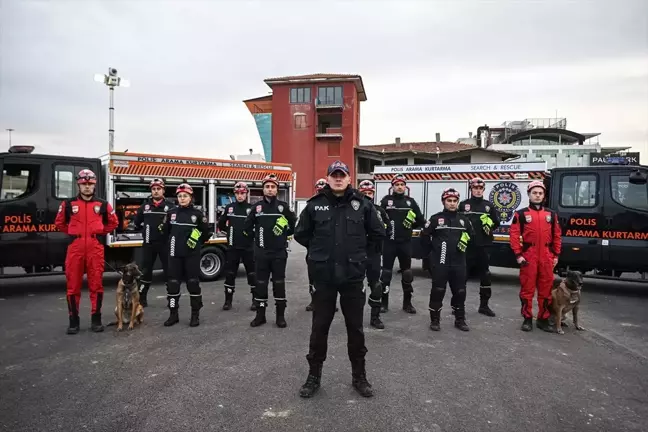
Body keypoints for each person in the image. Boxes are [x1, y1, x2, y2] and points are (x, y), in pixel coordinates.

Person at [294, 160, 386, 399]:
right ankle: (313, 376)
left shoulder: (363, 205)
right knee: (319, 329)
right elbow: (301, 234)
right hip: (324, 278)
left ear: (348, 178)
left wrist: (360, 255)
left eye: (342, 175)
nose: (338, 178)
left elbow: (378, 234)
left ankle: (359, 376)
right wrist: (319, 252)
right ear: (328, 178)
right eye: (334, 175)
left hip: (353, 278)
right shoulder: (314, 206)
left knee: (355, 329)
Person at [55, 169, 119, 334]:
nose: (87, 187)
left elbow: (113, 223)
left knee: (96, 286)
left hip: (94, 248)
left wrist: (98, 232)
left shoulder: (103, 205)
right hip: (75, 248)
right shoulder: (68, 204)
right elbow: (60, 223)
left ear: (94, 185)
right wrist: (74, 233)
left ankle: (96, 319)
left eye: (90, 184)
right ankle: (73, 321)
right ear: (79, 184)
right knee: (73, 287)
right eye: (84, 184)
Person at [243, 173, 297, 328]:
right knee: (260, 284)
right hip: (261, 253)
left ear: (277, 189)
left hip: (279, 253)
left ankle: (280, 316)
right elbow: (247, 227)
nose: (270, 189)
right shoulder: (257, 207)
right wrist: (257, 239)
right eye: (267, 187)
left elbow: (293, 224)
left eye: (273, 187)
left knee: (279, 284)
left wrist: (284, 234)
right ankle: (260, 316)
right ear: (263, 189)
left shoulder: (283, 207)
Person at [509, 180, 562, 332]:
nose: (537, 196)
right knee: (527, 290)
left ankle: (542, 319)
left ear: (544, 195)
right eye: (534, 193)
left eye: (540, 193)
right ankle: (527, 318)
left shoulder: (551, 215)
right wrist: (519, 255)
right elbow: (514, 236)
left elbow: (557, 236)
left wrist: (556, 255)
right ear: (529, 195)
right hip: (529, 257)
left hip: (546, 256)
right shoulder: (521, 214)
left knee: (546, 290)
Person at [421, 188, 475, 332]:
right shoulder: (435, 218)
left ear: (458, 202)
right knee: (438, 290)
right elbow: (424, 236)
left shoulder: (464, 220)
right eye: (449, 201)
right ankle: (435, 320)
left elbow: (472, 238)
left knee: (460, 291)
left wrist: (465, 243)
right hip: (441, 263)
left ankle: (460, 320)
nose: (452, 204)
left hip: (459, 263)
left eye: (454, 201)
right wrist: (431, 255)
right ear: (443, 202)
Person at [160, 183, 212, 328]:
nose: (182, 199)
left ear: (191, 197)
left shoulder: (197, 214)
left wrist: (196, 237)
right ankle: (173, 314)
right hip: (174, 254)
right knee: (173, 284)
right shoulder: (171, 213)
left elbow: (207, 233)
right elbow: (165, 232)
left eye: (185, 196)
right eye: (180, 196)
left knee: (193, 283)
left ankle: (195, 315)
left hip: (191, 255)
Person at [378, 173, 425, 314]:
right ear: (392, 186)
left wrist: (411, 223)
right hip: (389, 244)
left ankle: (407, 303)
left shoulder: (410, 202)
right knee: (386, 274)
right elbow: (379, 219)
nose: (399, 187)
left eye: (402, 185)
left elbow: (421, 220)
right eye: (397, 184)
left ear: (405, 187)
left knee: (407, 274)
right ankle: (383, 303)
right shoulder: (386, 201)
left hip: (405, 243)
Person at [458, 177, 500, 316]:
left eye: (480, 188)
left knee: (485, 275)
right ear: (471, 189)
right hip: (467, 246)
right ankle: (458, 306)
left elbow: (496, 222)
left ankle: (484, 306)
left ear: (483, 189)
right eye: (475, 188)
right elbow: (457, 221)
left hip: (484, 245)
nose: (477, 190)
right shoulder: (463, 205)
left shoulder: (488, 206)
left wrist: (490, 224)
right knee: (462, 276)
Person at [134, 178, 174, 307]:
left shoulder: (171, 206)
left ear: (163, 190)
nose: (156, 191)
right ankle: (142, 299)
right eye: (153, 189)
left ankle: (171, 298)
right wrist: (146, 230)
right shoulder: (145, 207)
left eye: (158, 189)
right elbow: (137, 222)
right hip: (148, 245)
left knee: (169, 272)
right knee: (145, 272)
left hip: (165, 245)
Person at [217, 181, 256, 311]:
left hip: (248, 248)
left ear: (246, 194)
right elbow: (221, 224)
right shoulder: (229, 208)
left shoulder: (252, 208)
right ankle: (228, 301)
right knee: (230, 274)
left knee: (252, 274)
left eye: (242, 193)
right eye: (237, 193)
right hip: (233, 247)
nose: (240, 196)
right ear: (234, 194)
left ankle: (255, 300)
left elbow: (256, 226)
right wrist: (229, 232)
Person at [358, 179, 391, 329]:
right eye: (364, 193)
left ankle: (375, 317)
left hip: (373, 253)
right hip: (356, 254)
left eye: (370, 193)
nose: (367, 195)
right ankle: (355, 317)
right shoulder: (352, 210)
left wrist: (378, 231)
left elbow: (388, 231)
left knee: (376, 286)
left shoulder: (380, 211)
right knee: (355, 287)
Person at [305, 178, 328, 312]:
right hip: (314, 251)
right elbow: (301, 231)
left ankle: (330, 303)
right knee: (313, 278)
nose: (320, 192)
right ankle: (314, 301)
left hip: (331, 251)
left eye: (323, 190)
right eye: (318, 190)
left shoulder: (334, 205)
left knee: (330, 279)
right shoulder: (311, 206)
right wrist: (312, 244)